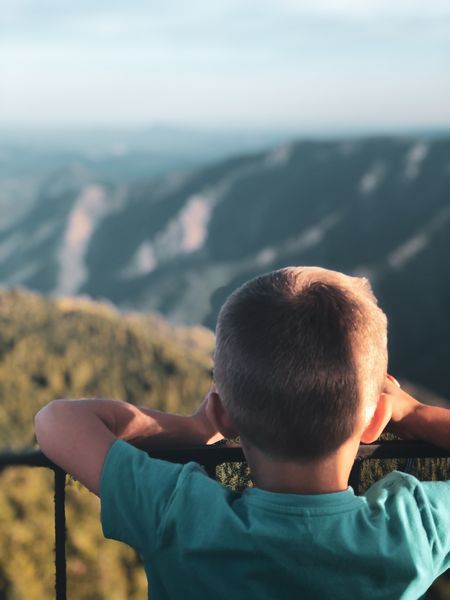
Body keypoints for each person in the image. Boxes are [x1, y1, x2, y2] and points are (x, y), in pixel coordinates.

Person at [34, 266, 450, 600]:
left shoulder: (180, 517)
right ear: (375, 419)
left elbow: (55, 422)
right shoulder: (413, 533)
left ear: (225, 416)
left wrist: (197, 427)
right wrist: (411, 412)